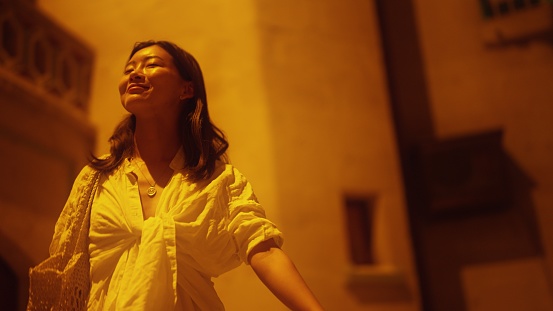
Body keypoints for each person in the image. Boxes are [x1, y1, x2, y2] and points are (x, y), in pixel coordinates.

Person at [45, 40, 323, 310]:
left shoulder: (218, 180)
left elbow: (265, 250)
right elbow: (62, 264)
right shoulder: (95, 178)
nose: (136, 74)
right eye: (129, 69)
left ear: (186, 89)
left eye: (152, 65)